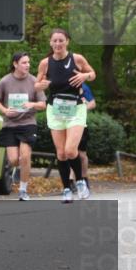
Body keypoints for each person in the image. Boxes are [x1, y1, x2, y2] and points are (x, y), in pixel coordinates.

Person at [35, 28, 96, 203]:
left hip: (76, 108)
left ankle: (80, 181)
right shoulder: (45, 63)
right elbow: (36, 84)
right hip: (55, 109)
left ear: (67, 41)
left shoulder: (77, 59)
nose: (58, 44)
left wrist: (85, 75)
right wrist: (40, 86)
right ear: (50, 43)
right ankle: (66, 189)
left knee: (70, 150)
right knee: (61, 154)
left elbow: (92, 74)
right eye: (54, 41)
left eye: (61, 40)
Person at [0, 52, 46, 201]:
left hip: (28, 123)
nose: (28, 65)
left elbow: (43, 104)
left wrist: (32, 104)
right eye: (24, 62)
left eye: (28, 62)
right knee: (13, 160)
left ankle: (23, 190)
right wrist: (5, 111)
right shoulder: (5, 81)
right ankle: (17, 168)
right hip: (10, 124)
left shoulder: (34, 81)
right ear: (15, 64)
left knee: (25, 156)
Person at [77, 83, 96, 190]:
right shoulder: (60, 84)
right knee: (69, 153)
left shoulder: (83, 87)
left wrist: (82, 109)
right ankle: (70, 181)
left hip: (81, 125)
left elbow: (92, 103)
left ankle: (84, 178)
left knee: (81, 154)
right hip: (65, 124)